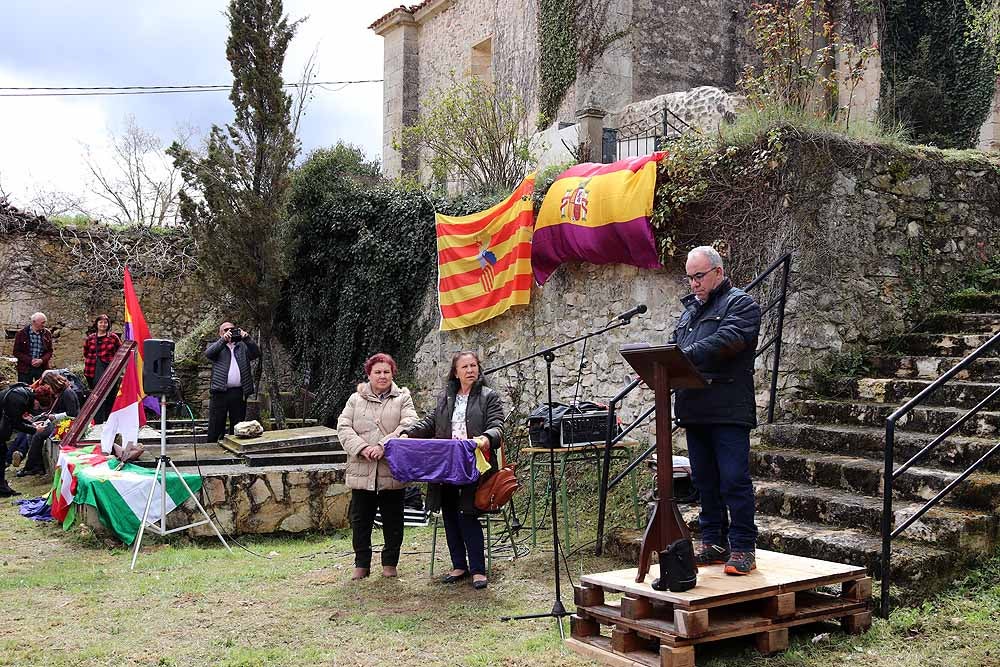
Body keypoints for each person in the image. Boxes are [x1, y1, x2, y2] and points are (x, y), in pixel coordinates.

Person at [670, 246, 762, 576]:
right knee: (704, 481)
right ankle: (713, 542)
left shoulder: (742, 305)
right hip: (695, 408)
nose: (693, 284)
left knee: (734, 479)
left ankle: (742, 547)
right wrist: (663, 365)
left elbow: (727, 341)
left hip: (727, 407)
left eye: (699, 276)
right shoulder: (688, 313)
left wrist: (681, 357)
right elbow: (675, 348)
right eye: (689, 278)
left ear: (718, 273)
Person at [403, 351, 504, 590]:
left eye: (473, 366)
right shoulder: (447, 398)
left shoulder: (489, 397)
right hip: (447, 466)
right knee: (449, 513)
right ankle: (459, 565)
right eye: (465, 367)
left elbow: (497, 426)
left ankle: (478, 570)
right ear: (456, 372)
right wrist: (408, 434)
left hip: (475, 465)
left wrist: (486, 438)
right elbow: (430, 422)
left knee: (466, 513)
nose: (470, 370)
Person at [336, 353, 417, 580]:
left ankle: (390, 562)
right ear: (369, 374)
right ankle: (361, 563)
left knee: (393, 519)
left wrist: (384, 445)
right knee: (361, 519)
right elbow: (344, 427)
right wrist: (362, 448)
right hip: (362, 468)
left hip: (391, 467)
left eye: (386, 372)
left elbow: (409, 423)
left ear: (393, 374)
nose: (382, 376)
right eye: (377, 372)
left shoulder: (403, 398)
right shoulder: (355, 400)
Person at [16, 372, 81, 478]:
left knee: (38, 434)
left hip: (67, 423)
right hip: (59, 422)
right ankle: (37, 465)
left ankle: (31, 466)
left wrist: (54, 417)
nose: (48, 390)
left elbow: (72, 413)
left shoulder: (68, 393)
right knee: (32, 432)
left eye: (48, 387)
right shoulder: (61, 393)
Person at [204, 322, 260, 443]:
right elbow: (208, 354)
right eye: (226, 330)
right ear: (220, 333)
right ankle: (211, 449)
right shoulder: (217, 346)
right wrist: (223, 341)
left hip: (238, 392)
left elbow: (256, 353)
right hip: (220, 392)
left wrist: (247, 339)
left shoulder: (242, 346)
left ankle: (235, 449)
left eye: (232, 329)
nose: (229, 331)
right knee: (216, 423)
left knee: (238, 424)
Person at [0, 382, 55, 497]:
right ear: (36, 401)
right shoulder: (18, 398)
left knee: (2, 454)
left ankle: (3, 488)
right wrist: (35, 430)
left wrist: (33, 424)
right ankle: (3, 489)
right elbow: (15, 422)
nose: (36, 409)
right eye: (39, 407)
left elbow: (16, 418)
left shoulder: (23, 395)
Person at [82, 314, 123, 423]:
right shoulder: (90, 338)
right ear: (96, 324)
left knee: (109, 395)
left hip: (110, 370)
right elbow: (86, 352)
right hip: (93, 370)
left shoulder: (113, 337)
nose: (103, 324)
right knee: (96, 395)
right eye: (101, 322)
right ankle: (98, 420)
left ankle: (110, 419)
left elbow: (120, 352)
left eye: (105, 322)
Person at [12, 312, 53, 385]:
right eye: (42, 323)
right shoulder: (21, 334)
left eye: (44, 322)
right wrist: (30, 360)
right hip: (25, 369)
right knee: (24, 391)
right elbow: (16, 352)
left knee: (43, 391)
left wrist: (41, 360)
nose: (44, 325)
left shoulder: (47, 334)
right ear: (34, 322)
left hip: (42, 368)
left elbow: (49, 351)